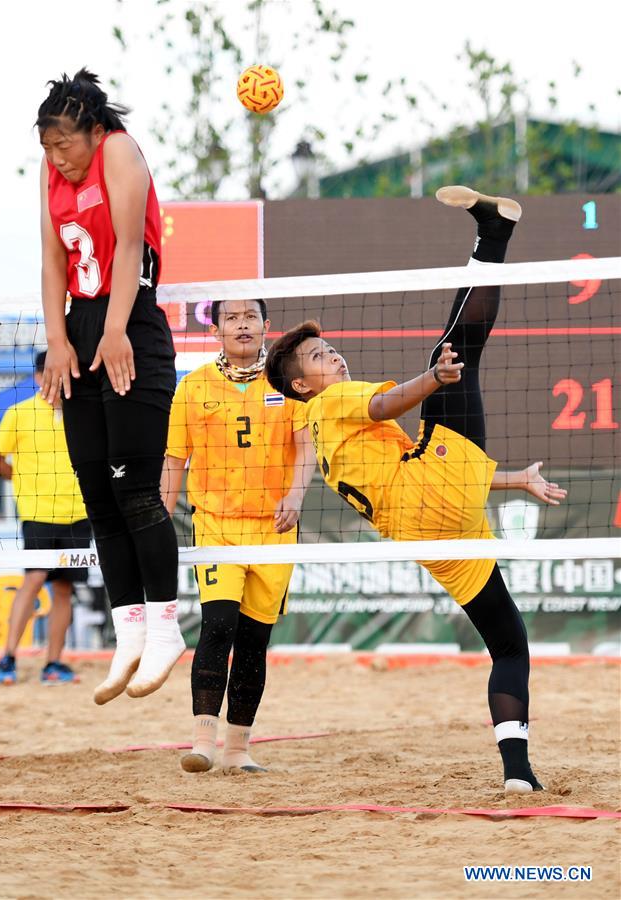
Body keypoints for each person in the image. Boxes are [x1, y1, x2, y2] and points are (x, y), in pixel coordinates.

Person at [265, 185, 568, 794]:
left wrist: (513, 480)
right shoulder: (333, 403)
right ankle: (495, 233)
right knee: (454, 352)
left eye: (331, 351)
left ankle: (517, 773)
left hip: (433, 532)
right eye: (322, 357)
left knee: (509, 642)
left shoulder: (324, 443)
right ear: (303, 386)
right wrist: (432, 377)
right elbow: (382, 403)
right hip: (432, 495)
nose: (336, 360)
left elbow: (431, 464)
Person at [37, 69, 184, 705]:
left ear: (94, 132)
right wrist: (58, 341)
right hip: (80, 326)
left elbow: (129, 249)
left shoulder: (117, 150)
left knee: (137, 492)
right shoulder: (51, 174)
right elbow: (51, 263)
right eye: (47, 147)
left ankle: (165, 627)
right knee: (97, 492)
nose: (58, 157)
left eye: (65, 144)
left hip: (132, 324)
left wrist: (116, 330)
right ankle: (128, 630)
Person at [162, 298, 316, 772]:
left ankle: (238, 749)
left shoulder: (288, 384)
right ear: (216, 331)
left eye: (250, 317)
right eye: (231, 318)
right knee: (218, 627)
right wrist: (157, 523)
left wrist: (295, 494)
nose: (242, 325)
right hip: (217, 527)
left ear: (266, 326)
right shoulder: (192, 387)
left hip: (274, 529)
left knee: (254, 641)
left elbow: (306, 445)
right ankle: (202, 741)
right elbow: (174, 460)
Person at [0, 351, 91, 685]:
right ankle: (8, 658)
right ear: (38, 376)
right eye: (52, 373)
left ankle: (53, 664)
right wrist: (21, 480)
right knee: (33, 580)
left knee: (64, 588)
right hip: (38, 514)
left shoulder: (85, 413)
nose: (59, 380)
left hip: (78, 514)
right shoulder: (20, 413)